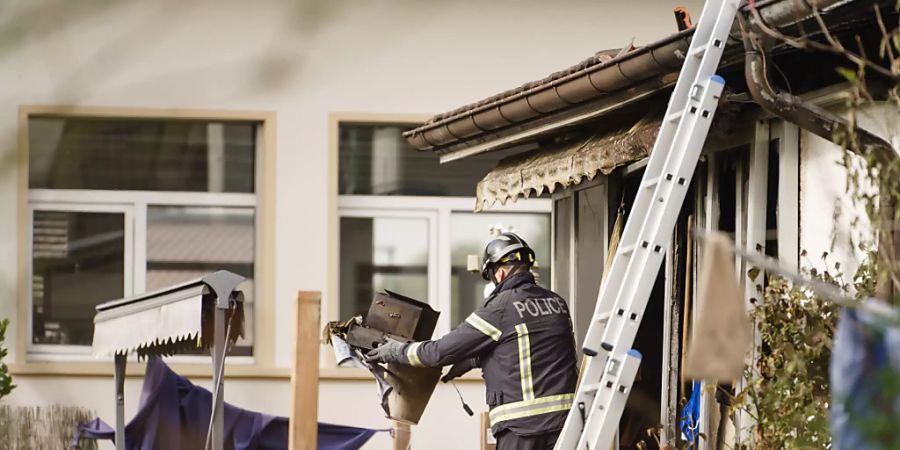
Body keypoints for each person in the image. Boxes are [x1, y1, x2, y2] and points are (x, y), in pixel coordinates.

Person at [365, 232, 578, 450]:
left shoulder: (500, 306)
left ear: (500, 272)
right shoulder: (556, 302)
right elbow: (529, 347)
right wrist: (475, 360)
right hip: (566, 423)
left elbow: (438, 352)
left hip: (523, 428)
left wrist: (397, 351)